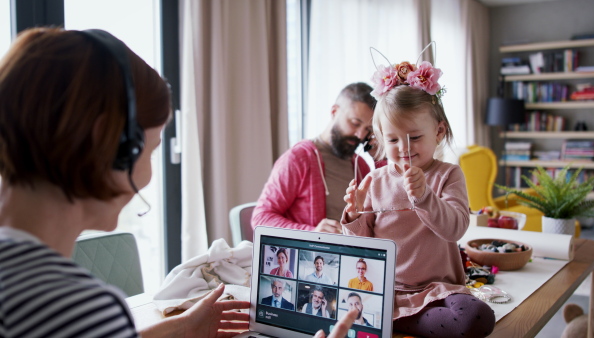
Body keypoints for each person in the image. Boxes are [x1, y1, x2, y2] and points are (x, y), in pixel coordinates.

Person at [0, 27, 354, 338]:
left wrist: (181, 328)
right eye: (151, 151)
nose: (149, 175)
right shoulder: (77, 308)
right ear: (108, 145)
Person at [342, 59, 495, 338]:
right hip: (387, 289)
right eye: (393, 140)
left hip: (438, 289)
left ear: (439, 131)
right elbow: (360, 251)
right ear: (380, 139)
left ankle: (393, 321)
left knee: (477, 318)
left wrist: (425, 196)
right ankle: (394, 316)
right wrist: (354, 215)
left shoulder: (448, 175)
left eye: (414, 137)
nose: (404, 149)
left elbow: (455, 228)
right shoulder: (374, 181)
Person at [251, 82, 377, 233]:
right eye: (355, 123)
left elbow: (378, 219)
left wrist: (378, 158)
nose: (360, 135)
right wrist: (311, 233)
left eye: (367, 130)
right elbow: (261, 218)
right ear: (334, 111)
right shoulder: (299, 159)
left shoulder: (361, 166)